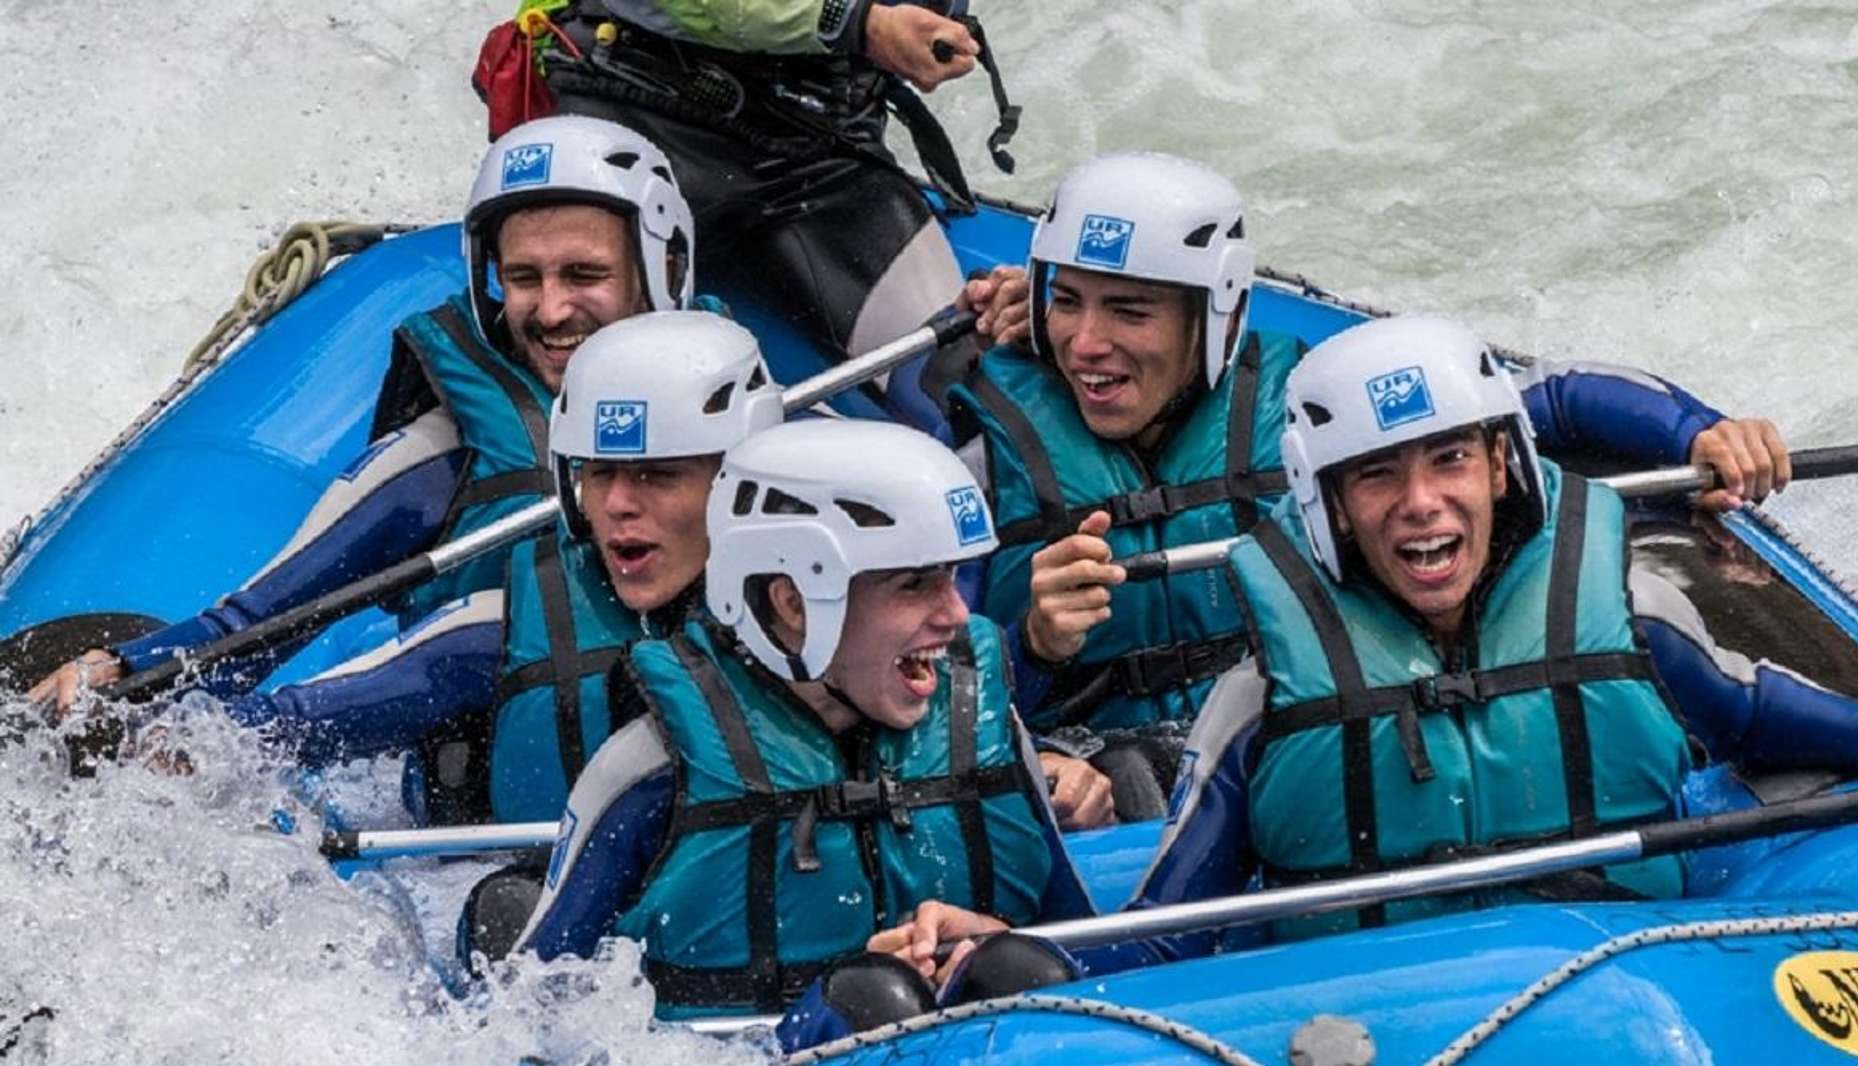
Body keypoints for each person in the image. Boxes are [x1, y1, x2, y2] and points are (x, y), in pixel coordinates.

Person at [868, 315, 1858, 977]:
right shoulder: (1265, 689)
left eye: (1448, 463)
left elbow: (1748, 712)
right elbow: (1180, 915)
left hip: (1630, 962)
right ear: (1329, 506)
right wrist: (1023, 948)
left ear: (1500, 471)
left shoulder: (1611, 614)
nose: (1421, 504)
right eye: (1378, 474)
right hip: (1390, 1003)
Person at [943, 152, 1793, 818]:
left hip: (1306, 734)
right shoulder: (989, 459)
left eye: (1128, 313)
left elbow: (1557, 399)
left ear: (1213, 315)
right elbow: (919, 697)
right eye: (1069, 303)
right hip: (1105, 766)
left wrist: (1699, 433)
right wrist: (1035, 647)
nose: (1085, 343)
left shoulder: (1314, 410)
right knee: (1122, 778)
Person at [29, 116, 696, 734]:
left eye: (584, 274)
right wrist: (125, 671)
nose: (550, 311)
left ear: (659, 266)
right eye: (524, 278)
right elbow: (260, 620)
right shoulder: (444, 456)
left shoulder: (762, 418)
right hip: (486, 833)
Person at [514, 419, 1094, 1020]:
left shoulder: (987, 722)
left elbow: (1102, 968)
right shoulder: (651, 768)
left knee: (1015, 967)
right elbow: (525, 1020)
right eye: (914, 584)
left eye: (950, 577)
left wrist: (991, 934)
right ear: (794, 603)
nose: (956, 614)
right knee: (870, 999)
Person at [487, 0, 995, 430]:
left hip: (820, 149)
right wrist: (857, 23)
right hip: (639, 112)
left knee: (967, 395)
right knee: (571, 364)